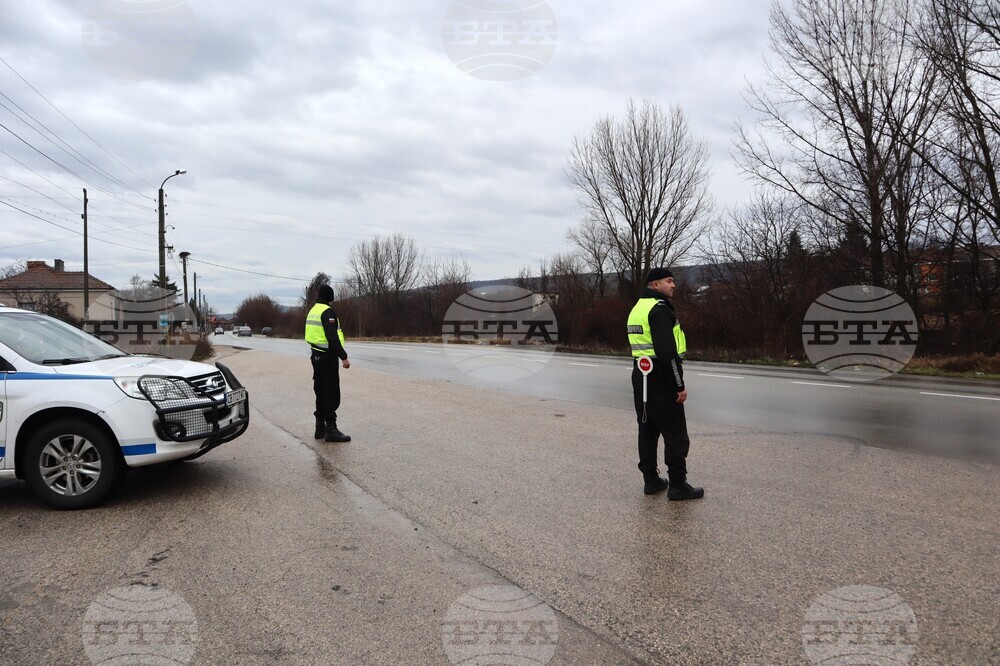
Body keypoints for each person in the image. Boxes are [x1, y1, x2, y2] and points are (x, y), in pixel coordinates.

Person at [626, 268, 704, 500]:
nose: (674, 285)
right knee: (675, 433)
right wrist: (678, 386)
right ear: (655, 284)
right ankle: (678, 485)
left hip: (641, 375)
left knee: (647, 429)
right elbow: (667, 353)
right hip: (661, 376)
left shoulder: (637, 308)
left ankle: (651, 481)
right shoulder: (659, 310)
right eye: (669, 281)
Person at [304, 284, 351, 442]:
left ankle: (319, 428)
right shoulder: (327, 311)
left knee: (320, 390)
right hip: (327, 358)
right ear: (329, 296)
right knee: (330, 392)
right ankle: (331, 429)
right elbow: (332, 337)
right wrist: (343, 357)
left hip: (316, 356)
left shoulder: (313, 310)